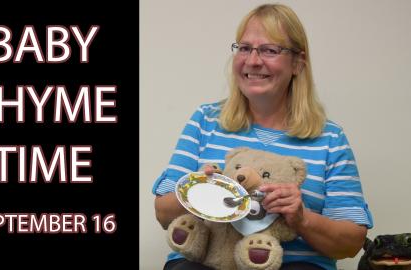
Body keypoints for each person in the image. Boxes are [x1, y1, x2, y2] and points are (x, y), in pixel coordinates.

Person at [153, 3, 373, 270]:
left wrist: (301, 218)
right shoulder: (205, 120)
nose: (253, 60)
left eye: (270, 50)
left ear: (298, 63)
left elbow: (350, 244)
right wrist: (199, 191)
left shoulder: (330, 138)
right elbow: (163, 214)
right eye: (244, 48)